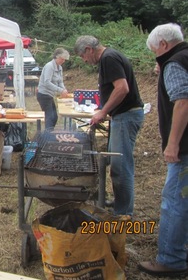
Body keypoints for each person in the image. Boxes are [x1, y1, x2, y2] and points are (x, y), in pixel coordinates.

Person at [138, 23, 188, 278]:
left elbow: (182, 102)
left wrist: (173, 143)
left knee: (174, 202)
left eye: (155, 51)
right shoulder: (183, 57)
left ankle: (171, 259)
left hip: (185, 147)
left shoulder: (175, 63)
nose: (155, 56)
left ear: (164, 45)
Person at [74, 35, 144, 216]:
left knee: (121, 168)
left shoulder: (108, 58)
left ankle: (123, 215)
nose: (85, 60)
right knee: (115, 163)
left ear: (89, 49)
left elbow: (122, 88)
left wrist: (103, 111)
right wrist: (105, 110)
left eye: (83, 56)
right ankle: (121, 203)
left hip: (126, 117)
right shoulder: (109, 57)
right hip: (121, 116)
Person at [37, 48, 70, 130]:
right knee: (50, 117)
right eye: (62, 59)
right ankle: (47, 136)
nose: (63, 61)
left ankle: (50, 133)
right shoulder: (49, 66)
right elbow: (46, 82)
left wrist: (64, 89)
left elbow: (60, 81)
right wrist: (60, 90)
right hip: (44, 94)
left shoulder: (60, 68)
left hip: (50, 95)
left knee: (54, 117)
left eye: (64, 59)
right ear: (56, 57)